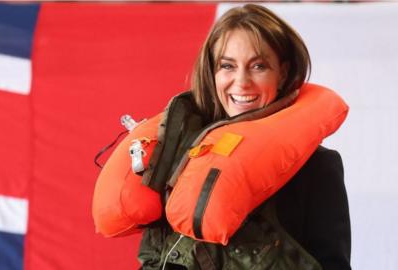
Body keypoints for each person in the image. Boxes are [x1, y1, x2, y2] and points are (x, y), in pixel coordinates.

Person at [137, 4, 351, 270]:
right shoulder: (181, 154)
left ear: (282, 73)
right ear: (212, 73)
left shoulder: (316, 167)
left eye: (258, 66)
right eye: (227, 66)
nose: (241, 82)